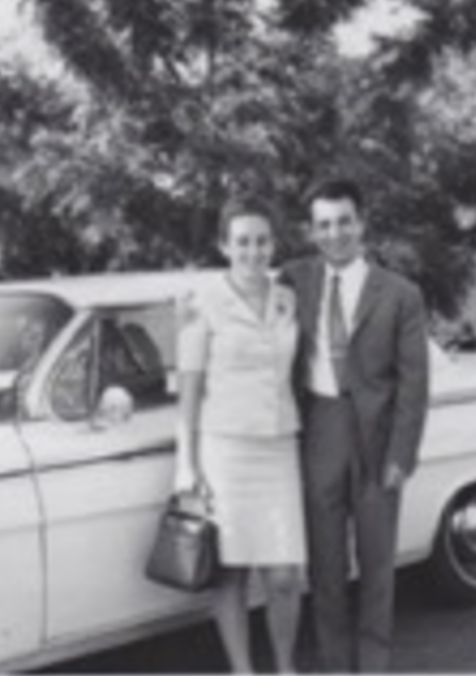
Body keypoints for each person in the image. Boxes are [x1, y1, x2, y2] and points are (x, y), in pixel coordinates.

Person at [279, 177, 430, 673]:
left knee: (377, 565)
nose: (335, 233)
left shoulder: (401, 294)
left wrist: (401, 456)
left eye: (344, 221)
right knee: (326, 567)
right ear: (311, 231)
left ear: (362, 223)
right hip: (319, 429)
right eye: (323, 225)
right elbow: (242, 296)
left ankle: (374, 665)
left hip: (377, 438)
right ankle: (335, 665)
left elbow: (414, 384)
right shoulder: (294, 280)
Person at [175, 200, 306, 673]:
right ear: (224, 246)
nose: (253, 251)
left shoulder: (287, 299)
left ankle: (285, 668)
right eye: (243, 241)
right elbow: (189, 390)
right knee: (230, 572)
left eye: (262, 241)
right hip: (225, 452)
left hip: (279, 446)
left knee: (285, 575)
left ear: (273, 245)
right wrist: (187, 466)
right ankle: (243, 670)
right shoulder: (200, 302)